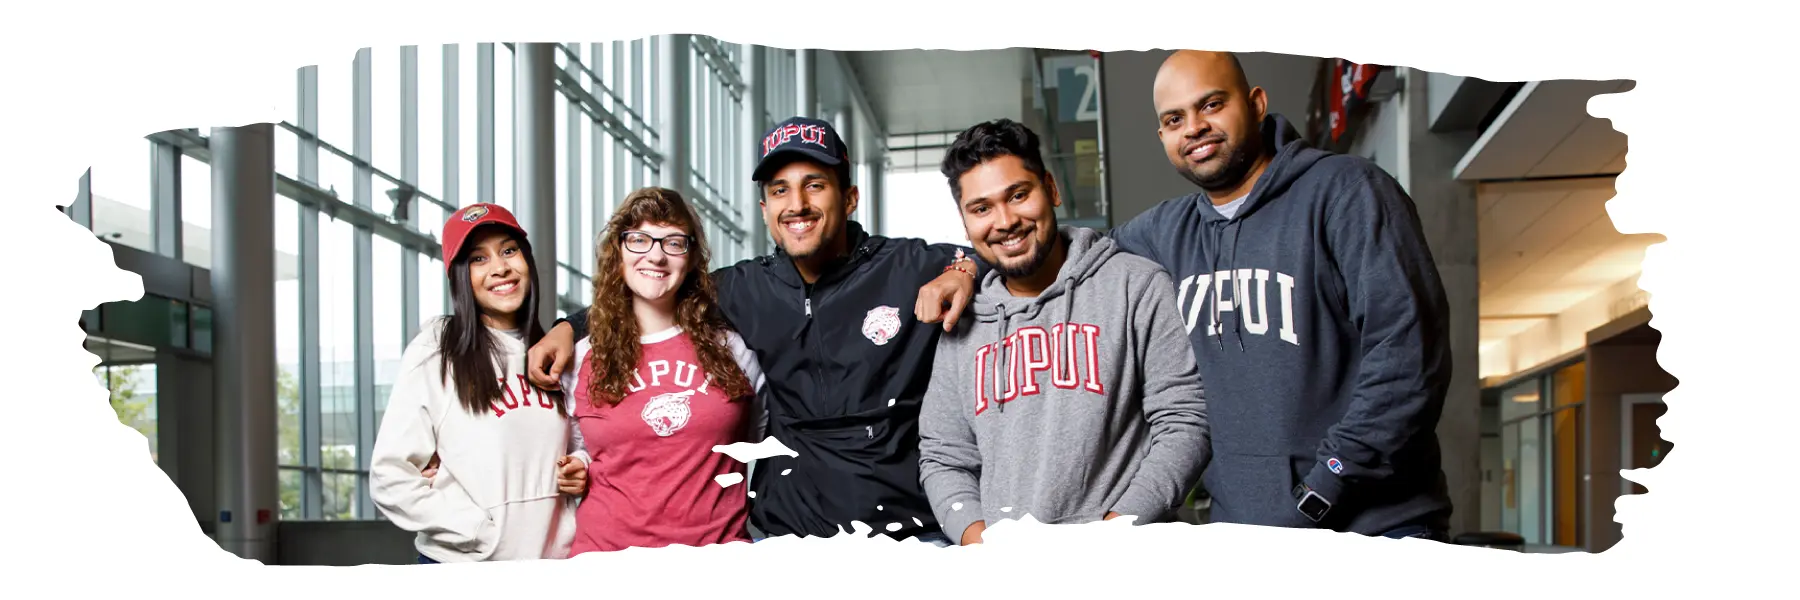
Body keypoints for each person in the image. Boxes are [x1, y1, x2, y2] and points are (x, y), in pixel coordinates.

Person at [526, 117, 984, 546]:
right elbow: (655, 289)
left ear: (849, 198)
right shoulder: (743, 288)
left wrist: (965, 269)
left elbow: (1001, 249)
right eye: (780, 190)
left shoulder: (908, 267)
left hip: (905, 535)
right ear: (766, 210)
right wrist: (568, 326)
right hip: (783, 541)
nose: (797, 204)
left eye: (815, 186)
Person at [1106, 50, 1454, 540]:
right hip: (1250, 539)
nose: (1195, 127)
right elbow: (1057, 255)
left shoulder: (1348, 191)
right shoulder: (1166, 232)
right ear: (1163, 136)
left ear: (1256, 103)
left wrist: (1329, 483)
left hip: (1376, 532)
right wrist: (964, 266)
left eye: (1211, 105)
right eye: (1174, 118)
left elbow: (1408, 354)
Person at [918, 119, 1210, 545]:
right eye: (981, 208)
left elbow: (1185, 422)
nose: (1005, 221)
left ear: (1050, 189)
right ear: (965, 224)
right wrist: (979, 546)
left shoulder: (1135, 285)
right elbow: (944, 455)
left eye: (1018, 195)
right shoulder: (963, 323)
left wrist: (1115, 534)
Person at [369, 203, 590, 563]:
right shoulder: (440, 348)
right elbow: (390, 476)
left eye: (508, 250)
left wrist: (579, 466)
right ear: (459, 276)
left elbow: (584, 443)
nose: (500, 268)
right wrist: (476, 530)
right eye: (478, 259)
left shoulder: (554, 354)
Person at [558, 187, 768, 554]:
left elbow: (756, 437)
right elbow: (580, 447)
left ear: (690, 259)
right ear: (618, 253)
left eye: (673, 242)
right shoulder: (581, 357)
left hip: (718, 564)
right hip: (606, 565)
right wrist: (578, 464)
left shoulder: (731, 350)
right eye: (639, 240)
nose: (655, 255)